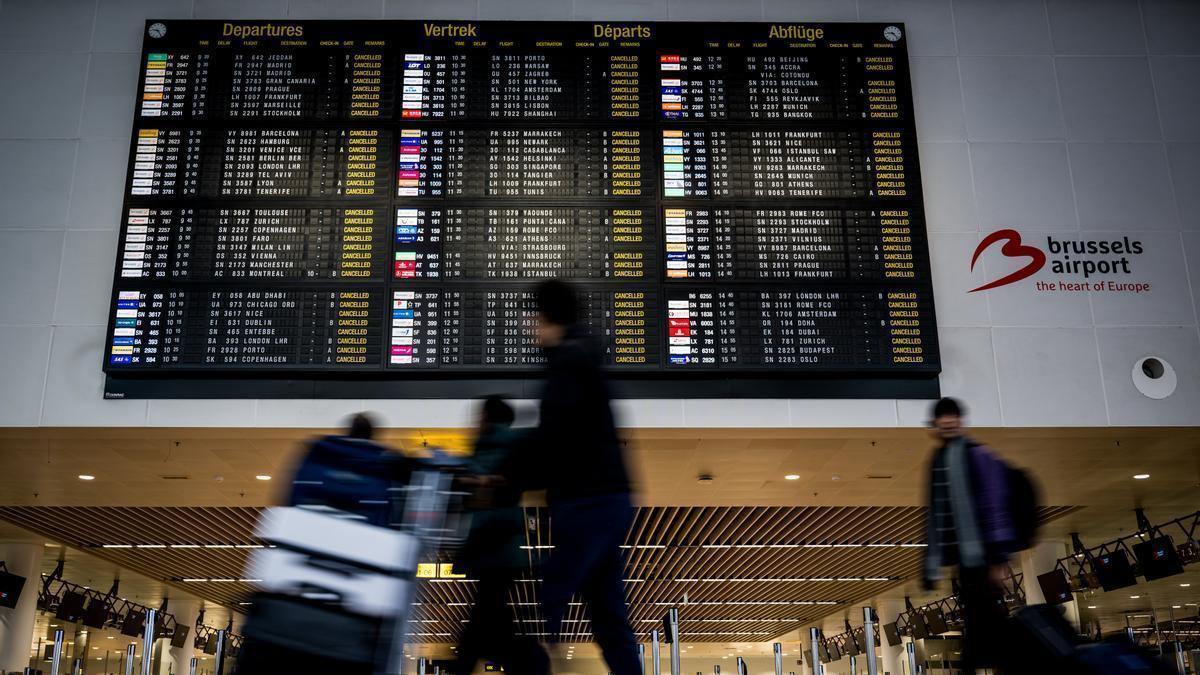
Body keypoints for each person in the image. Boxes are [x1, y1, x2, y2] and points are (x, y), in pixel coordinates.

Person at [529, 279, 640, 675]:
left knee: (553, 591)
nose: (532, 329)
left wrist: (509, 475)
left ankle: (543, 662)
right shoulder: (587, 358)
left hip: (585, 501)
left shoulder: (568, 362)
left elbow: (552, 438)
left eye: (535, 319)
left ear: (547, 318)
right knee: (608, 612)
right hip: (609, 499)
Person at [452, 396, 548, 675]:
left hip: (497, 545)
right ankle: (531, 665)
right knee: (490, 623)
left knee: (482, 624)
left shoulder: (508, 443)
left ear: (489, 417)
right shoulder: (486, 446)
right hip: (496, 548)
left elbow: (528, 474)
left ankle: (533, 665)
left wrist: (488, 483)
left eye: (479, 416)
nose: (475, 422)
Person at [922, 397, 1016, 674]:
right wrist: (930, 564)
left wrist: (999, 557)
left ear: (961, 423)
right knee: (981, 620)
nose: (949, 426)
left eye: (953, 422)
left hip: (982, 556)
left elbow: (994, 502)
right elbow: (935, 513)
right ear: (935, 426)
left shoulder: (977, 455)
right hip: (962, 558)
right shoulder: (939, 460)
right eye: (944, 423)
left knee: (983, 621)